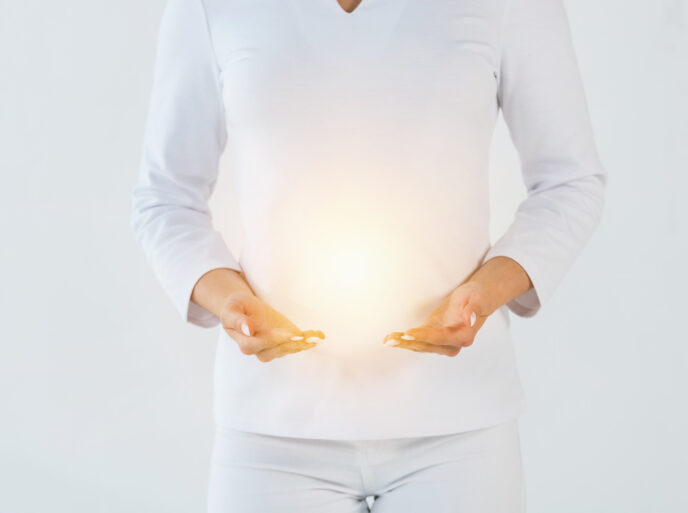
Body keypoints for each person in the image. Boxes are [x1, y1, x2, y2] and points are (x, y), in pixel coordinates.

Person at [130, 0, 606, 511]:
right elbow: (165, 199)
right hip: (272, 433)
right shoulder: (208, 7)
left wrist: (485, 292)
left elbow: (569, 182)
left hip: (457, 427)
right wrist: (227, 300)